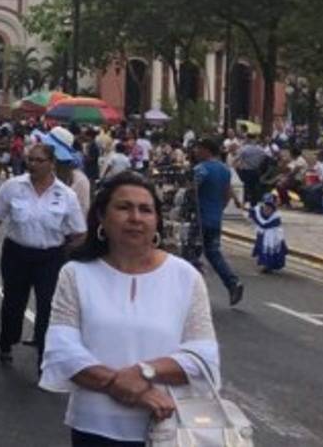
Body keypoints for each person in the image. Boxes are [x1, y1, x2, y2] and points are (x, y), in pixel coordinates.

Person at [40, 171, 220, 446]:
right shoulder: (76, 274)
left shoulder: (186, 277)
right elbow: (62, 350)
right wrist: (129, 389)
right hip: (94, 428)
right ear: (102, 217)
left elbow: (203, 358)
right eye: (124, 207)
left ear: (157, 220)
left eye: (145, 210)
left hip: (169, 428)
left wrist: (143, 372)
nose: (135, 217)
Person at [0, 143, 86, 369]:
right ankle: (6, 343)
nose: (32, 164)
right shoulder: (13, 186)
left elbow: (79, 233)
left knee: (48, 306)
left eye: (39, 160)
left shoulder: (66, 195)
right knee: (13, 302)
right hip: (16, 254)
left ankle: (44, 353)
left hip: (50, 258)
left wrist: (69, 257)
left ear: (51, 163)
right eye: (30, 159)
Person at [191, 138, 245, 306]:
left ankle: (193, 293)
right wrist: (218, 209)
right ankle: (233, 283)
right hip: (215, 219)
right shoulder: (225, 170)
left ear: (207, 150)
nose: (195, 152)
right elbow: (227, 193)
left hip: (198, 219)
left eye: (198, 149)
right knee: (213, 252)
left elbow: (190, 192)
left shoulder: (200, 169)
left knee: (190, 254)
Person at [249, 194, 287, 273]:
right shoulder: (259, 211)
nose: (267, 209)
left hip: (273, 236)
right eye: (266, 206)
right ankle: (266, 264)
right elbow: (254, 213)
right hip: (262, 235)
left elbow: (264, 224)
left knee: (272, 250)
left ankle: (270, 265)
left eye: (270, 207)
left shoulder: (276, 217)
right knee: (262, 249)